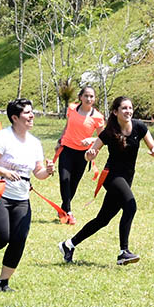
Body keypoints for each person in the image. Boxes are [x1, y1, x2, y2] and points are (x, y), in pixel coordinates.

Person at [58, 96, 154, 265]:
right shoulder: (109, 132)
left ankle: (69, 244)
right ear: (115, 112)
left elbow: (153, 146)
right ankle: (123, 252)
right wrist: (89, 154)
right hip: (112, 176)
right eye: (124, 108)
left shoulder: (140, 127)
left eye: (130, 108)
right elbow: (91, 151)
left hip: (127, 178)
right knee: (131, 206)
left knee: (103, 219)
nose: (128, 111)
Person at [0, 98, 54, 291]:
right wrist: (4, 172)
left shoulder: (35, 143)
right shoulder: (1, 138)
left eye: (32, 111)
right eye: (27, 113)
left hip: (22, 198)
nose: (32, 115)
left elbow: (38, 173)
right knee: (0, 238)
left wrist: (48, 171)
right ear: (15, 117)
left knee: (19, 240)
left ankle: (3, 283)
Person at [53, 86, 106, 225]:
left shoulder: (98, 117)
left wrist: (91, 140)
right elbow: (67, 126)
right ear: (80, 97)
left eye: (92, 96)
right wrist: (60, 140)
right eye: (86, 96)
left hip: (83, 154)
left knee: (73, 183)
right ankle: (68, 212)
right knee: (64, 179)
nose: (89, 99)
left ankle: (63, 209)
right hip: (66, 149)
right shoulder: (71, 109)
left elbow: (104, 138)